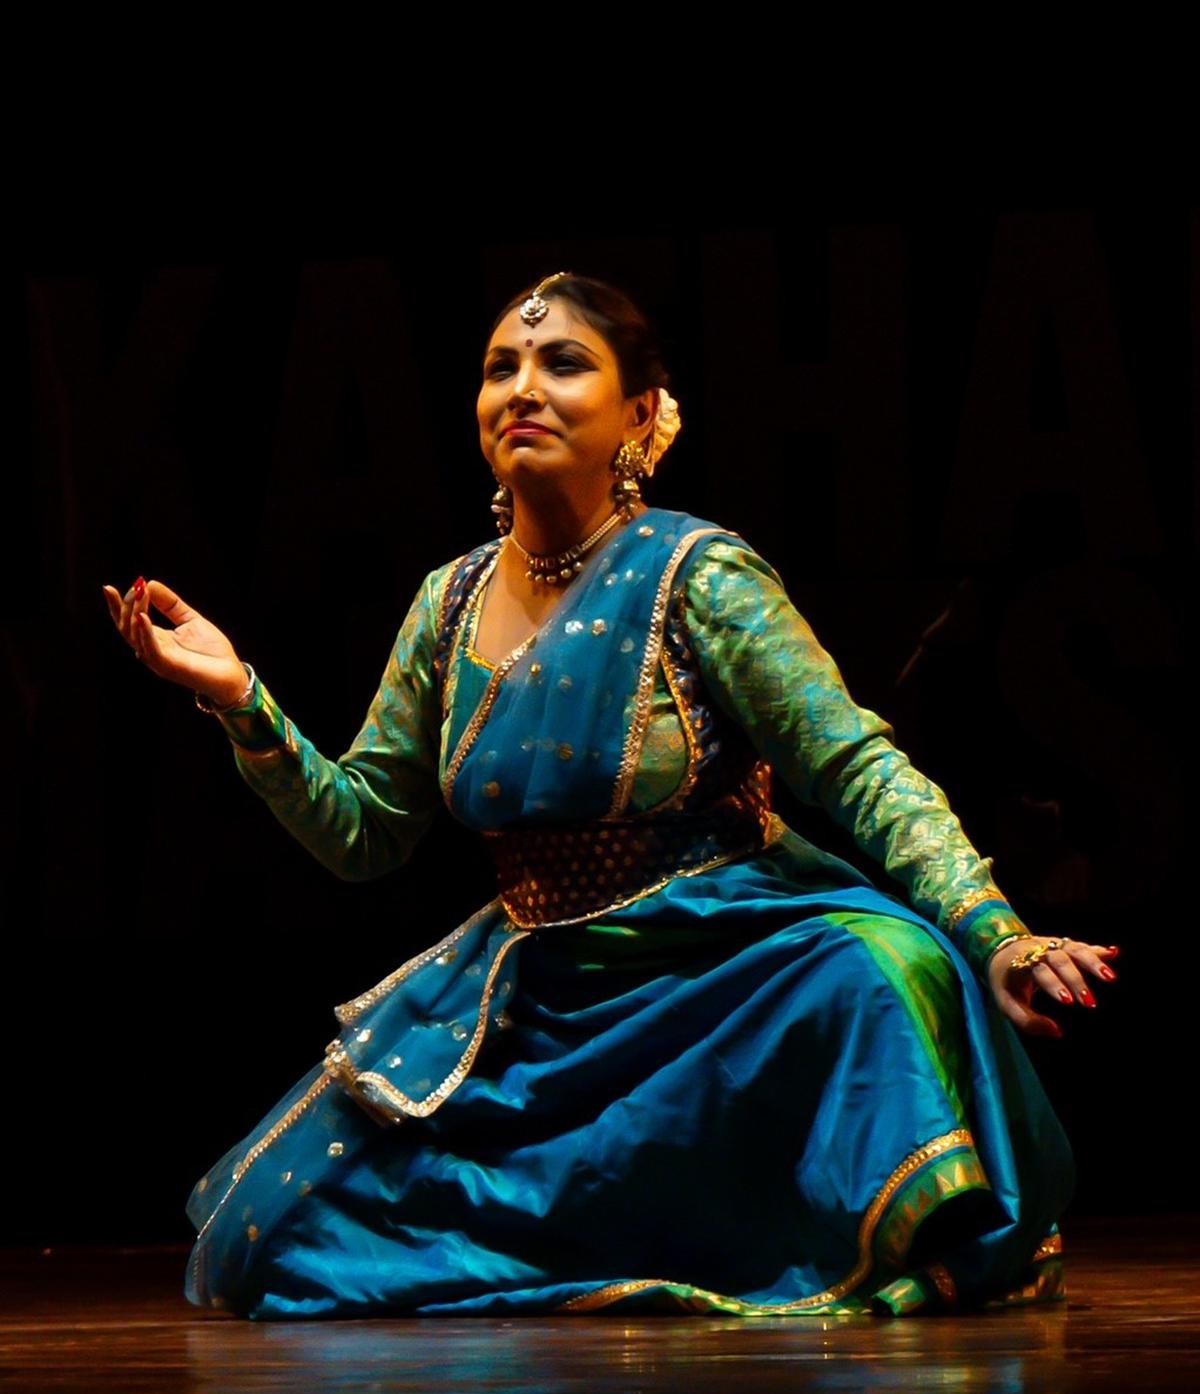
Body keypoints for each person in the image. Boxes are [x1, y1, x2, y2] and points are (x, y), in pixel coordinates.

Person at [103, 272, 1116, 1321]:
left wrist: (993, 930)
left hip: (726, 968)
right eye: (502, 367)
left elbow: (853, 764)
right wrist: (242, 700)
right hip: (535, 995)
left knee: (883, 969)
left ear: (641, 413)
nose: (523, 387)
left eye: (563, 362)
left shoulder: (700, 575)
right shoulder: (446, 603)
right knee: (265, 1246)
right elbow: (365, 834)